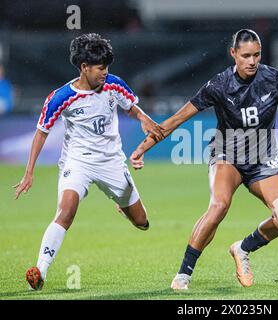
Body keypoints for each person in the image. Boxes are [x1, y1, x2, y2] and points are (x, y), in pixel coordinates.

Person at [130, 29, 278, 290]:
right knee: (220, 205)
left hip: (262, 159)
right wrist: (143, 147)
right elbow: (176, 120)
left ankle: (242, 249)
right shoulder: (218, 86)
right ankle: (183, 274)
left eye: (257, 55)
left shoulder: (275, 80)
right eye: (246, 55)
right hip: (227, 156)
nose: (252, 61)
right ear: (233, 54)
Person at [14, 33, 164, 290]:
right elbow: (42, 132)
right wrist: (29, 173)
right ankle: (40, 272)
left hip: (112, 163)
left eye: (106, 67)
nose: (105, 72)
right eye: (100, 67)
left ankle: (122, 204)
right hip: (78, 162)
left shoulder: (114, 85)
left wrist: (143, 119)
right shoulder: (61, 97)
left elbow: (130, 106)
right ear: (84, 67)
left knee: (142, 222)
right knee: (66, 211)